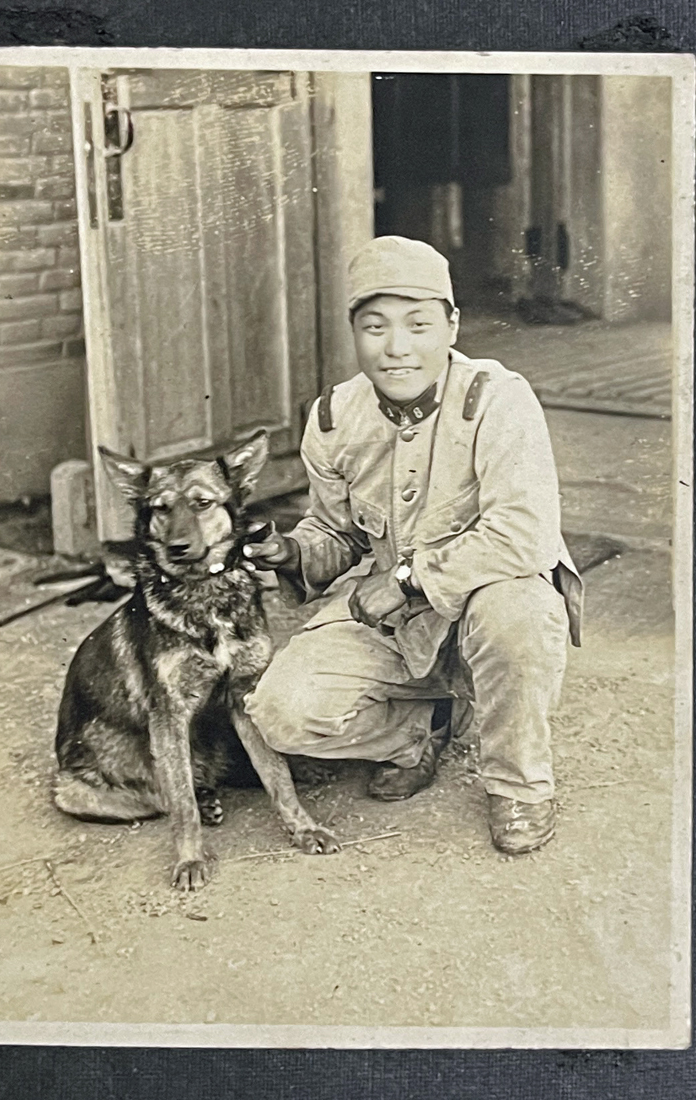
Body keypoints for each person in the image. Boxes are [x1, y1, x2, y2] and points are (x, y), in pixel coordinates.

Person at [243, 236, 582, 855]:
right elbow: (338, 532)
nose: (396, 348)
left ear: (451, 325)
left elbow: (523, 533)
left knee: (519, 617)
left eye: (418, 324)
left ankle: (519, 784)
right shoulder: (333, 419)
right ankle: (417, 733)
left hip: (487, 597)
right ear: (354, 332)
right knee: (281, 711)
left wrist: (405, 580)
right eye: (375, 327)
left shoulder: (497, 398)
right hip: (394, 621)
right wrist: (293, 553)